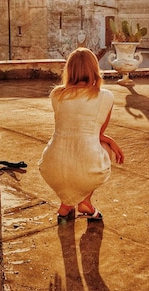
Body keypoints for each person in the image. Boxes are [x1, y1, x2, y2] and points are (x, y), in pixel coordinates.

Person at [38, 47, 124, 223]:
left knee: (72, 152)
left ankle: (65, 206)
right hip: (85, 168)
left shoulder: (57, 94)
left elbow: (72, 128)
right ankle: (85, 202)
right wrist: (111, 142)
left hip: (51, 166)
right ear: (94, 69)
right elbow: (97, 133)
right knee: (103, 149)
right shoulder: (105, 97)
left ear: (69, 70)